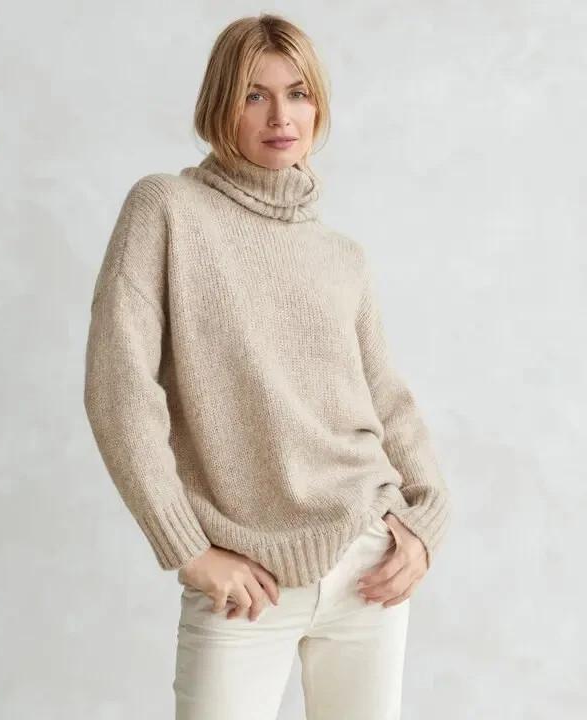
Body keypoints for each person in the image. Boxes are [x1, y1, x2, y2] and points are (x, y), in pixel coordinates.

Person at [83, 12, 451, 720]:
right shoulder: (167, 209)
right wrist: (188, 550)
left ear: (319, 106)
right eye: (255, 95)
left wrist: (425, 520)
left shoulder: (342, 256)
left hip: (368, 562)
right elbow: (118, 386)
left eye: (298, 93)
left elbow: (386, 398)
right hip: (244, 579)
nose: (281, 116)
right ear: (220, 105)